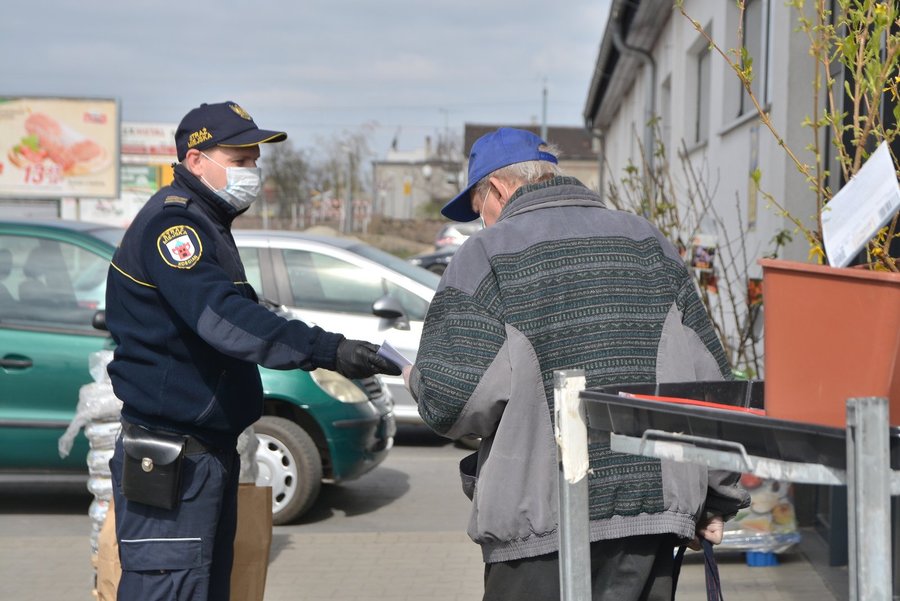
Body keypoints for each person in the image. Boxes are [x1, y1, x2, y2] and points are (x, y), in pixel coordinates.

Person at [405, 127, 749, 601]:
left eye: (478, 208)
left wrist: (416, 380)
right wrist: (717, 498)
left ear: (499, 190)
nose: (480, 222)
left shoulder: (486, 254)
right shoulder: (650, 243)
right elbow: (709, 384)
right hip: (648, 524)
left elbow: (451, 402)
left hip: (539, 534)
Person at [104, 101, 400, 601]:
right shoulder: (175, 228)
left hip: (204, 453)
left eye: (254, 160)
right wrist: (327, 349)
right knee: (172, 588)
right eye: (239, 160)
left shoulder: (209, 222)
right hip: (175, 456)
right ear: (196, 161)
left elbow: (243, 312)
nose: (252, 171)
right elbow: (224, 319)